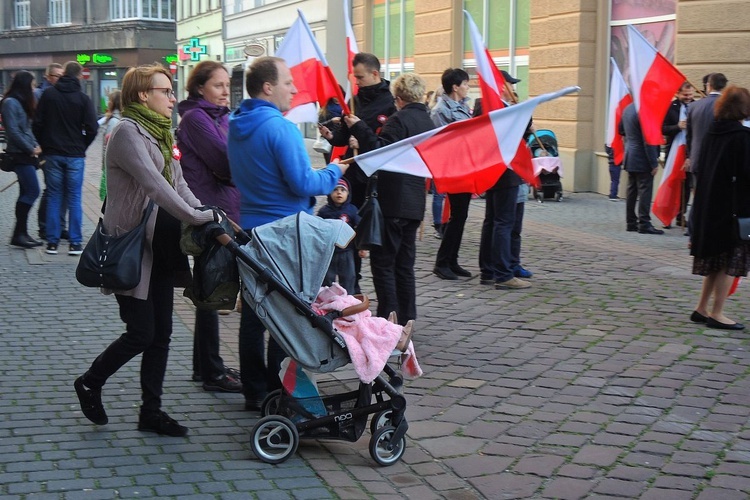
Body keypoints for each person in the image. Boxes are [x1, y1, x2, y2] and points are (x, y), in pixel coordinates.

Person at [73, 64, 219, 437]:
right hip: (132, 248)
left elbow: (179, 184)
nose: (172, 98)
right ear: (143, 95)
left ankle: (150, 412)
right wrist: (195, 217)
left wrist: (208, 213)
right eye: (165, 91)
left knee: (163, 334)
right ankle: (90, 381)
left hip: (162, 248)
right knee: (141, 332)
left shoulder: (158, 133)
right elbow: (156, 187)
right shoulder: (127, 133)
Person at [227, 56, 347, 411]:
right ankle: (280, 391)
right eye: (288, 82)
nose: (295, 88)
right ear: (268, 87)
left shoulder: (237, 124)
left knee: (254, 314)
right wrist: (334, 172)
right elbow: (302, 182)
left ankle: (254, 389)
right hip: (284, 234)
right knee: (285, 315)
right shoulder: (280, 128)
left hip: (251, 229)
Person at [345, 72, 435, 323]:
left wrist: (359, 128)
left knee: (384, 264)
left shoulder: (398, 120)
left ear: (398, 98)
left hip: (393, 201)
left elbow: (379, 151)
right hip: (414, 201)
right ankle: (407, 318)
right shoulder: (428, 121)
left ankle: (388, 319)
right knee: (404, 265)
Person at [176, 60, 242, 394]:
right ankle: (212, 371)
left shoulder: (223, 117)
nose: (225, 90)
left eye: (227, 84)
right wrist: (234, 165)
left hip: (226, 209)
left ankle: (205, 366)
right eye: (218, 85)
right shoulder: (196, 118)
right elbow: (226, 163)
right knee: (213, 288)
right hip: (209, 215)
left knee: (211, 286)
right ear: (200, 87)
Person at [319, 52, 396, 294]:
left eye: (361, 77)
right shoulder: (356, 99)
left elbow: (383, 144)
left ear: (375, 74)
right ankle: (352, 288)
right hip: (354, 177)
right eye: (355, 78)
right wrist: (334, 136)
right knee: (350, 234)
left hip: (376, 181)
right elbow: (345, 130)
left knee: (370, 236)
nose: (357, 82)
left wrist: (360, 131)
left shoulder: (390, 103)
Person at [689, 85, 750, 330]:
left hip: (710, 205)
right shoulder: (741, 137)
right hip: (733, 208)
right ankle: (717, 313)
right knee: (728, 262)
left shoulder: (714, 132)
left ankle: (702, 307)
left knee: (716, 260)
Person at [33, 61, 99, 256]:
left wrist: (45, 143)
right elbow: (93, 128)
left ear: (63, 74)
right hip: (75, 155)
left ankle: (52, 243)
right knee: (74, 198)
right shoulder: (82, 98)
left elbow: (37, 123)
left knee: (54, 196)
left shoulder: (49, 95)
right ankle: (75, 243)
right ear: (78, 76)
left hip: (52, 153)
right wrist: (82, 145)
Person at [478, 70, 533, 290]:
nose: (513, 88)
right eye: (510, 84)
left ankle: (489, 270)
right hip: (505, 170)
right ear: (501, 85)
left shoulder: (487, 105)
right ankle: (503, 274)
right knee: (503, 222)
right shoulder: (496, 107)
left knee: (492, 221)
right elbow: (519, 129)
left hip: (495, 170)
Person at [431, 68, 474, 280]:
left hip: (464, 166)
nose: (469, 87)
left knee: (461, 216)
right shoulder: (440, 111)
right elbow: (441, 142)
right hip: (452, 168)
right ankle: (442, 262)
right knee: (456, 216)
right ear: (455, 87)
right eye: (466, 83)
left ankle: (452, 260)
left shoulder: (463, 107)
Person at [1, 70, 43, 248]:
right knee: (33, 191)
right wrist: (31, 148)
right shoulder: (11, 102)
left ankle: (21, 233)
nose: (34, 88)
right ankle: (19, 233)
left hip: (26, 154)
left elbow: (26, 129)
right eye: (32, 84)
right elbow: (13, 132)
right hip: (19, 155)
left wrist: (36, 146)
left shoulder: (20, 102)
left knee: (26, 192)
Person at [33, 63, 66, 241]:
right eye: (57, 76)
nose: (60, 79)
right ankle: (44, 226)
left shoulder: (61, 94)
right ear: (48, 77)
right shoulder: (40, 94)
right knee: (52, 190)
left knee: (64, 190)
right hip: (47, 150)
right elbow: (35, 124)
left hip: (62, 148)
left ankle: (60, 226)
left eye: (62, 76)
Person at [619, 103, 662, 234]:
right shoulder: (646, 111)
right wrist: (653, 163)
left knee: (632, 190)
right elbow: (648, 140)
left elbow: (621, 129)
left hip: (630, 154)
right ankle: (644, 223)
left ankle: (631, 222)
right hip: (642, 157)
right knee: (645, 191)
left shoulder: (628, 108)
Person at [317, 178, 361, 293]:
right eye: (335, 190)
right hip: (328, 252)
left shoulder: (352, 210)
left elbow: (360, 227)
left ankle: (349, 302)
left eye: (343, 190)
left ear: (348, 193)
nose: (339, 193)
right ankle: (327, 301)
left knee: (348, 278)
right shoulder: (324, 212)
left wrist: (362, 246)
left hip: (347, 251)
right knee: (327, 279)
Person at [661, 82, 694, 226]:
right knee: (671, 183)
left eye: (690, 94)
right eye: (685, 95)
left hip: (689, 151)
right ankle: (666, 216)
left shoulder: (696, 107)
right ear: (678, 94)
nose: (688, 97)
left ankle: (681, 215)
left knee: (686, 185)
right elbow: (663, 128)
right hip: (674, 150)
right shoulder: (671, 107)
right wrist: (677, 126)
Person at [97, 90, 122, 201]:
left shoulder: (114, 121)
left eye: (110, 100)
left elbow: (109, 149)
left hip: (112, 170)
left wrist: (105, 166)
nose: (108, 103)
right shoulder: (115, 119)